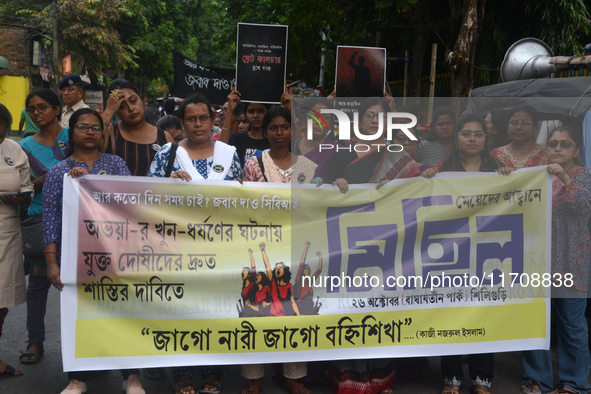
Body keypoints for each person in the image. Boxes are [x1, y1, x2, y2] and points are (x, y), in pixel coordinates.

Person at [41, 108, 144, 394]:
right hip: (76, 260)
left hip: (116, 257)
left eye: (96, 128)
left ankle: (131, 376)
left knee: (122, 314)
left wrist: (90, 182)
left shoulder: (117, 164)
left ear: (103, 133)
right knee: (79, 315)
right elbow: (50, 219)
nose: (90, 132)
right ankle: (78, 378)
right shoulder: (59, 172)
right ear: (71, 132)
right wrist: (52, 262)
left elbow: (130, 207)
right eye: (83, 127)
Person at [147, 94, 241, 394]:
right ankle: (183, 372)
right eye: (191, 119)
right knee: (182, 308)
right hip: (179, 247)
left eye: (203, 118)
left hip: (220, 247)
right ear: (182, 122)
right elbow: (147, 195)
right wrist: (168, 183)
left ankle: (213, 370)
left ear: (212, 120)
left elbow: (243, 200)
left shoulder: (229, 153)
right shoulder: (167, 153)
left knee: (217, 307)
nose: (198, 124)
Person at [422, 114, 510, 394]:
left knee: (483, 313)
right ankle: (451, 379)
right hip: (451, 253)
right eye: (466, 134)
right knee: (451, 313)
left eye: (478, 134)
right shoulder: (440, 170)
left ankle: (482, 379)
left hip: (488, 253)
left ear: (486, 140)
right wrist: (424, 179)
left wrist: (514, 181)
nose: (472, 139)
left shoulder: (500, 171)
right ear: (456, 138)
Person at [521, 126, 591, 394]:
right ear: (545, 148)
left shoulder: (585, 176)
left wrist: (563, 176)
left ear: (577, 151)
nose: (558, 149)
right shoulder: (535, 176)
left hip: (570, 263)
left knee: (572, 326)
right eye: (553, 144)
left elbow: (583, 206)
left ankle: (574, 384)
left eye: (565, 144)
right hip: (536, 262)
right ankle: (537, 379)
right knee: (535, 321)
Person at [18, 89, 68, 365]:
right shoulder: (24, 146)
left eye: (43, 107)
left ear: (58, 109)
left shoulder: (73, 136)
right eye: (32, 109)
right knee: (38, 283)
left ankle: (86, 340)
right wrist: (52, 177)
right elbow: (23, 186)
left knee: (82, 283)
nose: (37, 113)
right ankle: (34, 339)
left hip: (77, 220)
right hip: (40, 219)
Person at [0, 103, 33, 377]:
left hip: (7, 233)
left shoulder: (13, 149)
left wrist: (24, 197)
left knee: (1, 301)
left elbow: (27, 185)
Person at [325, 97, 421, 191]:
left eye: (381, 116)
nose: (375, 120)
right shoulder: (342, 155)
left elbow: (413, 192)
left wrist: (395, 188)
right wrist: (335, 185)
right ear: (360, 122)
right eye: (369, 115)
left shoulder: (398, 157)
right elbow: (326, 192)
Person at [101, 79, 173, 176]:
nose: (131, 108)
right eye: (122, 106)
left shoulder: (164, 137)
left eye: (133, 101)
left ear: (142, 100)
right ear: (116, 110)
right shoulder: (110, 132)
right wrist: (108, 111)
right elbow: (95, 152)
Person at [242, 105, 317, 184]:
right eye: (273, 128)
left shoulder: (305, 166)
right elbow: (247, 195)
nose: (279, 133)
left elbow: (311, 195)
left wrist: (322, 189)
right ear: (265, 132)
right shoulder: (253, 165)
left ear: (292, 131)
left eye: (285, 128)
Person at [292, 97, 338, 182]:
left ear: (331, 124)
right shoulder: (289, 148)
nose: (319, 122)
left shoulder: (338, 152)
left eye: (325, 117)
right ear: (304, 120)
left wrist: (340, 182)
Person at [489, 105, 549, 169]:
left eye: (525, 123)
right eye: (514, 122)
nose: (519, 127)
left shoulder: (546, 154)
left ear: (535, 128)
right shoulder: (495, 154)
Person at [229, 102, 270, 167]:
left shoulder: (275, 141)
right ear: (246, 114)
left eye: (260, 111)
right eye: (251, 112)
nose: (255, 115)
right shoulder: (237, 139)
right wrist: (230, 110)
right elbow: (221, 153)